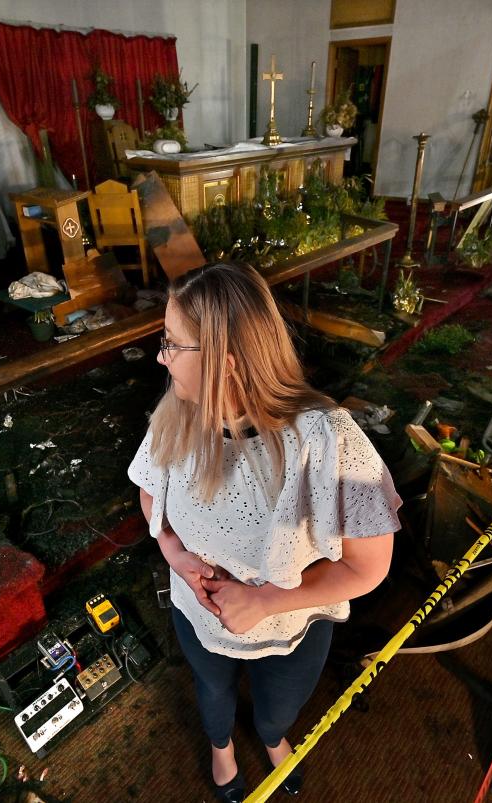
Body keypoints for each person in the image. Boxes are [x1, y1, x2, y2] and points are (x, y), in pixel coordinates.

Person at [127, 262, 401, 801]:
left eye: (172, 344)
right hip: (199, 612)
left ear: (225, 363)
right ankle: (221, 745)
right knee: (212, 688)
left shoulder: (326, 441)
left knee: (281, 704)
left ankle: (273, 736)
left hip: (293, 626)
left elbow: (369, 566)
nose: (160, 357)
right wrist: (172, 550)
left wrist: (269, 601)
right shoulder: (176, 417)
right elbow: (149, 491)